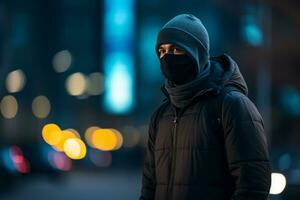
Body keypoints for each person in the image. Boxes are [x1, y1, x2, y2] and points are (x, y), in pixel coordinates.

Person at [139, 14, 271, 200]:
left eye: (176, 49)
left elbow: (253, 186)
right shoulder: (161, 115)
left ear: (196, 54)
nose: (167, 57)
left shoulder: (232, 106)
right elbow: (149, 187)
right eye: (161, 51)